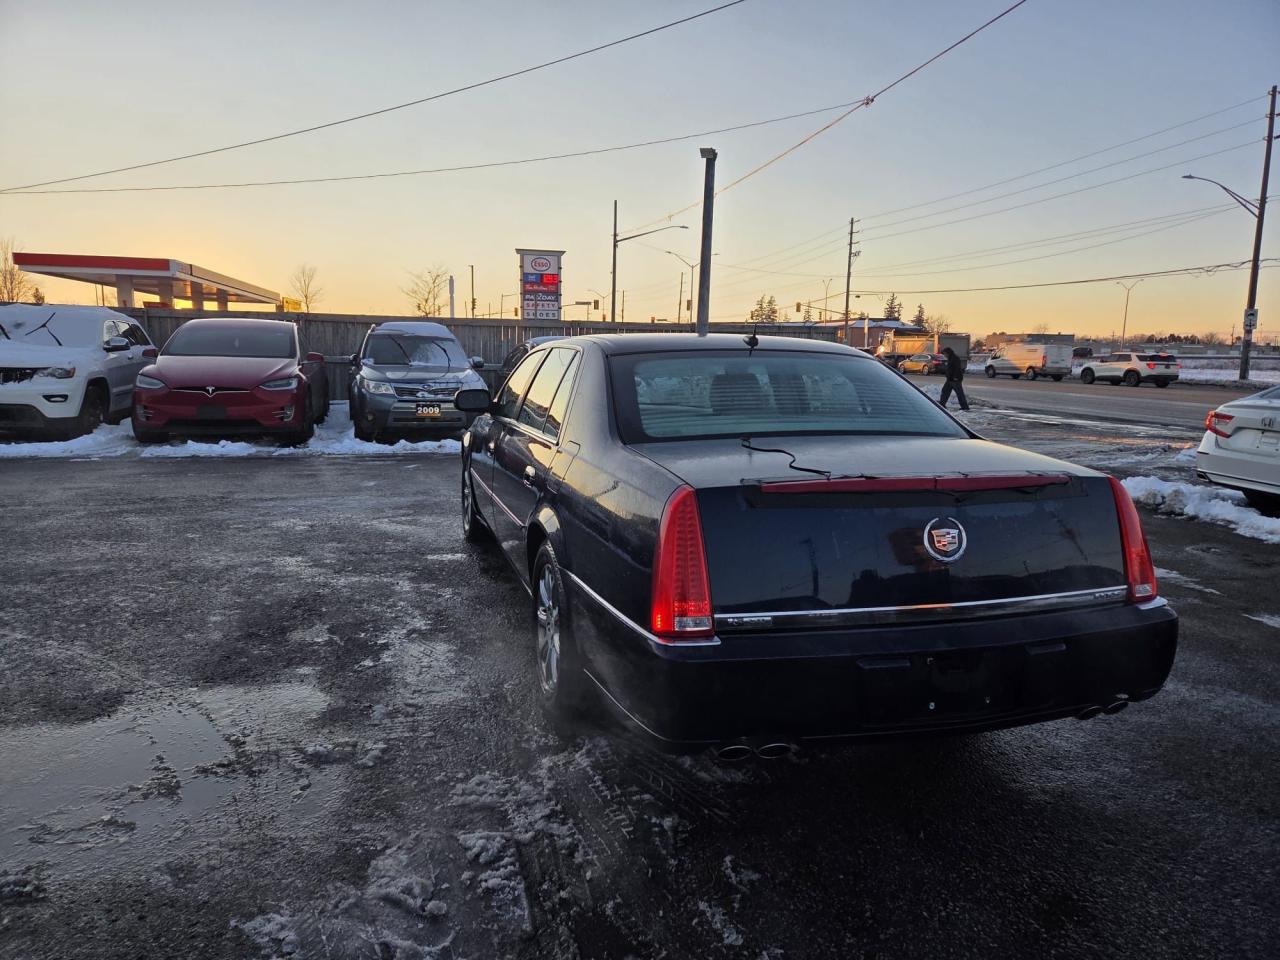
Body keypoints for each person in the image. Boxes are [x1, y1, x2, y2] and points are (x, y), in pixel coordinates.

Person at [939, 346, 970, 411]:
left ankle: (965, 407)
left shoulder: (955, 358)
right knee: (945, 391)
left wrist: (956, 377)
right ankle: (942, 404)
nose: (944, 355)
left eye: (945, 354)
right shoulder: (950, 358)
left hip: (955, 380)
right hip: (950, 379)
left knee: (959, 393)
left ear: (948, 353)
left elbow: (957, 369)